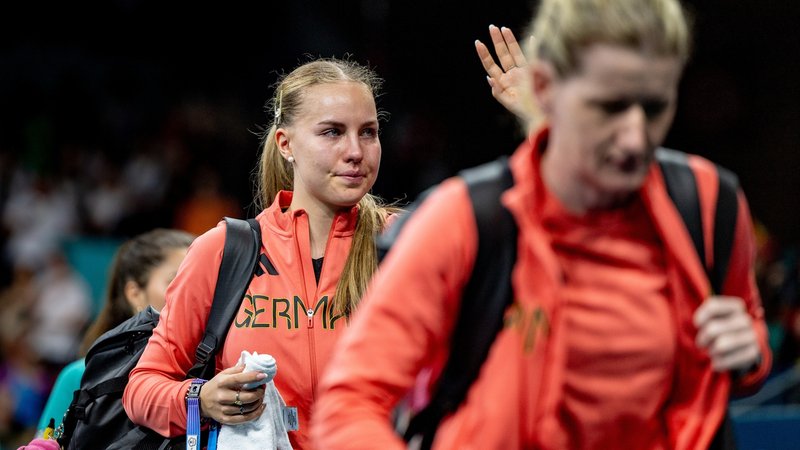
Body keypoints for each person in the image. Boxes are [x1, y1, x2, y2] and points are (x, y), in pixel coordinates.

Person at [311, 1, 771, 449]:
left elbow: (747, 342)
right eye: (608, 107)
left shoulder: (709, 203)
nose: (635, 138)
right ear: (544, 89)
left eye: (654, 107)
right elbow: (351, 402)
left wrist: (747, 352)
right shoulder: (462, 219)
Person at [122, 58, 398, 449]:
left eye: (368, 132)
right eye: (332, 132)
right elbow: (142, 388)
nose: (356, 151)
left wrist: (521, 125)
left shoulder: (406, 242)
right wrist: (201, 399)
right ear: (286, 144)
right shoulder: (225, 251)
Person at [35, 228, 193, 436]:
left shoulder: (213, 378)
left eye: (199, 281)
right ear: (135, 294)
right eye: (176, 281)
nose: (192, 292)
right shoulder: (80, 377)